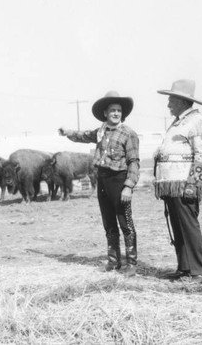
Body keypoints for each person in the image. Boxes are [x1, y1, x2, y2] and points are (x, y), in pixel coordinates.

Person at [59, 91, 140, 276]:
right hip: (103, 179)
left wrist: (128, 186)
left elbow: (134, 162)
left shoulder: (129, 134)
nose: (116, 113)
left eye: (119, 110)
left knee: (125, 222)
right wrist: (68, 133)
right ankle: (113, 262)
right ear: (105, 112)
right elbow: (83, 135)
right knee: (108, 222)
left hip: (119, 181)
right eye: (112, 110)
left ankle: (132, 264)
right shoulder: (101, 131)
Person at [154, 79, 202, 284]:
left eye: (171, 99)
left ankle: (199, 271)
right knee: (178, 226)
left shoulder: (196, 122)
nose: (168, 104)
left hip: (184, 183)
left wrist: (193, 185)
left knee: (188, 226)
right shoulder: (179, 122)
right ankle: (184, 268)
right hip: (171, 183)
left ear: (181, 101)